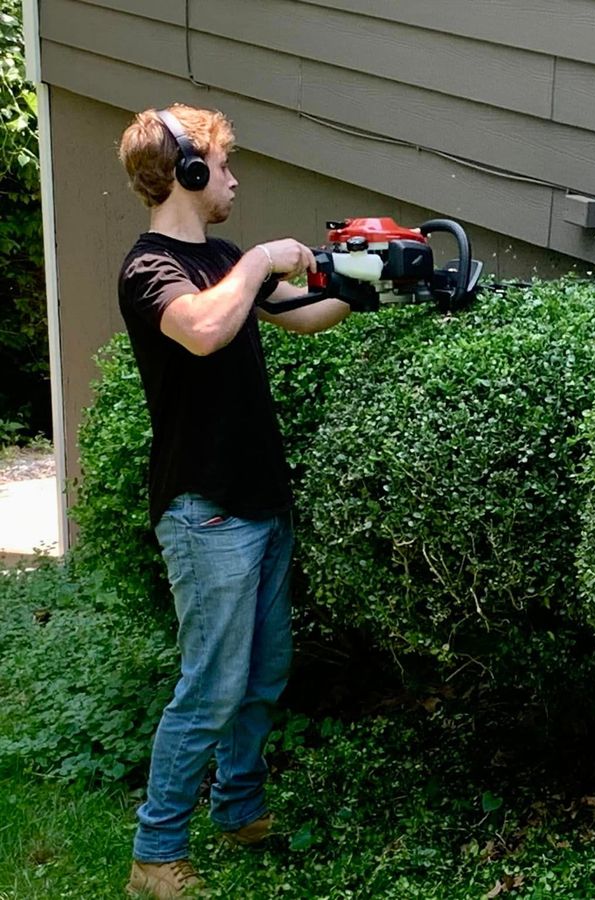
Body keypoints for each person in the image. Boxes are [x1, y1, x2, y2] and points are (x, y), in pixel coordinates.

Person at [115, 104, 352, 898]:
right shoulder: (150, 270)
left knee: (262, 675)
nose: (234, 179)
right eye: (223, 166)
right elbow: (204, 329)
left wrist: (373, 280)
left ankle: (240, 807)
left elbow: (304, 317)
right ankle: (155, 854)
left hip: (260, 496)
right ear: (186, 174)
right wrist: (257, 262)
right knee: (211, 687)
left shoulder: (218, 256)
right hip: (205, 507)